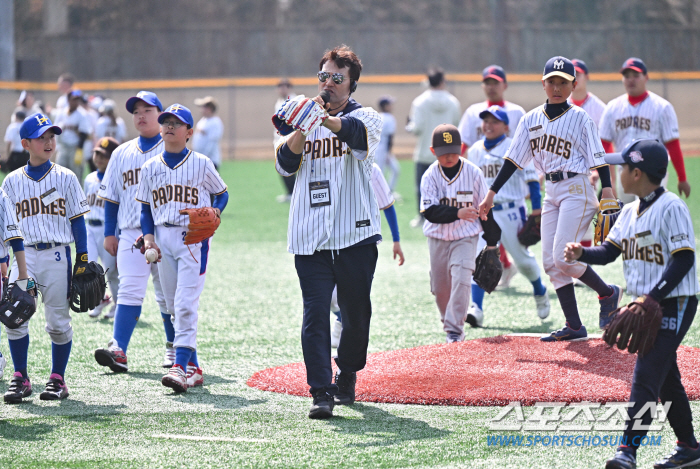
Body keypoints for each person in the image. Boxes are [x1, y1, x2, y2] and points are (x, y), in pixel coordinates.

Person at [564, 139, 700, 469]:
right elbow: (610, 252)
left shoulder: (671, 207)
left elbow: (683, 259)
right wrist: (583, 253)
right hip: (646, 304)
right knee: (666, 378)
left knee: (646, 374)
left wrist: (651, 298)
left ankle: (627, 452)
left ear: (637, 173)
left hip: (674, 302)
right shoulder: (628, 211)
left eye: (624, 167)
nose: (620, 172)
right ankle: (690, 449)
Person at [478, 56, 622, 342]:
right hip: (552, 193)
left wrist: (607, 188)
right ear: (543, 84)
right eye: (552, 81)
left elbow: (598, 156)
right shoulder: (530, 119)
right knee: (549, 262)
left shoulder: (580, 117)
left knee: (562, 257)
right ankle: (574, 326)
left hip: (577, 189)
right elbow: (513, 160)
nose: (557, 87)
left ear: (573, 85)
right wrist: (491, 193)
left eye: (563, 82)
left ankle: (607, 292)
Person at [274, 45, 383, 419]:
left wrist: (323, 119)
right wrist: (303, 126)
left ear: (351, 84)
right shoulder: (301, 118)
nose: (328, 83)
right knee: (315, 314)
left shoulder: (365, 115)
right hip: (310, 235)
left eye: (337, 78)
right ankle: (320, 390)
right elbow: (284, 164)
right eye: (323, 76)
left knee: (355, 315)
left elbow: (356, 137)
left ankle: (348, 370)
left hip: (355, 233)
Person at [136, 104, 229, 392]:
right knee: (174, 306)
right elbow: (145, 210)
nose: (169, 126)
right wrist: (148, 237)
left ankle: (179, 366)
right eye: (166, 122)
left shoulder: (201, 163)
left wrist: (214, 213)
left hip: (193, 239)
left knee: (186, 303)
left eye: (177, 123)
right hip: (162, 240)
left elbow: (222, 194)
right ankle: (193, 368)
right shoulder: (150, 167)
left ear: (189, 132)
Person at [2, 112, 90, 402]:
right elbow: (4, 225)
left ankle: (57, 379)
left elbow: (78, 220)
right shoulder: (12, 182)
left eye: (52, 136)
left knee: (57, 322)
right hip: (24, 256)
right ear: (26, 143)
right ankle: (20, 376)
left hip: (57, 256)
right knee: (15, 316)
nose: (49, 141)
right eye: (42, 137)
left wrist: (82, 258)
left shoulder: (66, 177)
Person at [93, 91, 171, 373]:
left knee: (167, 294)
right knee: (128, 290)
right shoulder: (121, 153)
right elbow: (111, 197)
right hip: (128, 231)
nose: (140, 115)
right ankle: (118, 349)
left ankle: (174, 348)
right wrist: (109, 232)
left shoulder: (170, 147)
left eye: (147, 110)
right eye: (136, 111)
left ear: (160, 115)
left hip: (165, 231)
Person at [466, 106, 550, 326]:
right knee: (479, 259)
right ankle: (476, 308)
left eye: (494, 121)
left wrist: (536, 209)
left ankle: (539, 290)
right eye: (486, 121)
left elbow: (532, 180)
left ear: (505, 126)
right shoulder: (474, 150)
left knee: (522, 261)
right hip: (485, 214)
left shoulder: (517, 147)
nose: (489, 125)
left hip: (512, 210)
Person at [420, 124, 500, 342]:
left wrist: (492, 242)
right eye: (444, 152)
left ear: (462, 148)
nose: (449, 156)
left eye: (454, 151)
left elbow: (485, 209)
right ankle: (448, 321)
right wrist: (458, 212)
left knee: (462, 277)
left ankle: (455, 330)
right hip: (437, 237)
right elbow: (430, 211)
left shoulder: (473, 173)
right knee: (440, 288)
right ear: (433, 151)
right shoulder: (430, 176)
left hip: (466, 236)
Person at [458, 65, 525, 287]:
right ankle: (503, 267)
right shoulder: (472, 112)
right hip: (483, 178)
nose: (491, 86)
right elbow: (463, 145)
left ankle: (515, 268)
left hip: (511, 182)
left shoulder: (516, 112)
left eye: (495, 82)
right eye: (487, 82)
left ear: (504, 85)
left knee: (509, 232)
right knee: (486, 226)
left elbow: (529, 147)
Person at [330, 162, 405, 348]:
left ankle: (346, 347)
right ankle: (341, 320)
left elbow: (387, 205)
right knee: (329, 297)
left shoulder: (373, 169)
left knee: (354, 298)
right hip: (331, 241)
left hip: (362, 243)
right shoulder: (330, 165)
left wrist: (396, 240)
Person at [599, 57, 691, 204]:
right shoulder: (612, 107)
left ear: (646, 77)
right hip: (625, 169)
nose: (631, 80)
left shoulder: (662, 107)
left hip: (652, 171)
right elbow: (603, 145)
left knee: (649, 214)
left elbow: (672, 144)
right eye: (626, 76)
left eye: (636, 75)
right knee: (626, 216)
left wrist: (682, 178)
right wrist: (606, 178)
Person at [406, 68, 461, 228]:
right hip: (448, 153)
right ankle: (450, 213)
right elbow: (457, 124)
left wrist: (409, 126)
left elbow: (417, 128)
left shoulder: (419, 102)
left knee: (422, 187)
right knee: (448, 187)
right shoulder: (453, 101)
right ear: (442, 81)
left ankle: (423, 216)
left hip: (425, 151)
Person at [567, 59, 607, 269]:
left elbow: (604, 145)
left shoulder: (599, 108)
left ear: (586, 77)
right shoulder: (561, 105)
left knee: (585, 217)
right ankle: (574, 262)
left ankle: (584, 262)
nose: (575, 78)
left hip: (590, 171)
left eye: (578, 74)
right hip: (567, 171)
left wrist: (597, 172)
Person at [85, 137, 120, 319]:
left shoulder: (116, 180)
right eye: (97, 154)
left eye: (104, 156)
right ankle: (99, 300)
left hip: (108, 231)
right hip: (90, 228)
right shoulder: (89, 178)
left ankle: (116, 303)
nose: (99, 159)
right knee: (91, 269)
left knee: (112, 271)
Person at [54, 89, 91, 181]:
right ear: (68, 100)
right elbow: (54, 130)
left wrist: (79, 151)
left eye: (77, 99)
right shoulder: (61, 113)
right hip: (63, 148)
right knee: (59, 175)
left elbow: (84, 134)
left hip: (75, 148)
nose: (76, 102)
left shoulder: (82, 114)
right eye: (74, 99)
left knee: (75, 176)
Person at [274, 79, 297, 203]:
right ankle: (290, 192)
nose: (281, 89)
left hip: (291, 139)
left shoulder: (294, 101)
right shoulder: (279, 102)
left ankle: (293, 192)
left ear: (289, 88)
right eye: (279, 87)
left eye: (284, 87)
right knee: (282, 167)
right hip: (280, 139)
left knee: (290, 166)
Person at [375, 96, 400, 193]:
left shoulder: (377, 115)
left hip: (376, 146)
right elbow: (390, 137)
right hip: (384, 147)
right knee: (381, 171)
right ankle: (380, 192)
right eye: (389, 104)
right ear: (385, 106)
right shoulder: (390, 118)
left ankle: (388, 192)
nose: (391, 106)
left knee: (390, 170)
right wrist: (389, 152)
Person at [192, 96, 224, 170]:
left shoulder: (215, 122)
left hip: (210, 161)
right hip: (201, 160)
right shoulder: (203, 120)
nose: (201, 110)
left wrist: (205, 157)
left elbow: (212, 141)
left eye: (203, 107)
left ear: (209, 108)